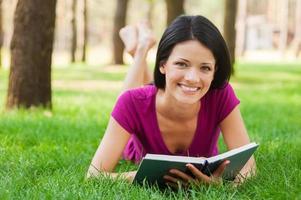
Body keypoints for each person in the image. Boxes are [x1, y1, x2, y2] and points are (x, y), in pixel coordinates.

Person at [87, 15, 256, 188]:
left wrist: (220, 185)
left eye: (205, 68)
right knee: (134, 98)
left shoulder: (220, 94)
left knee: (166, 87)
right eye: (182, 64)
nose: (192, 78)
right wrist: (151, 176)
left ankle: (143, 47)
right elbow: (94, 176)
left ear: (215, 71)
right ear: (162, 64)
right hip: (135, 149)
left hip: (161, 92)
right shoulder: (131, 103)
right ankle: (141, 50)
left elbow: (249, 167)